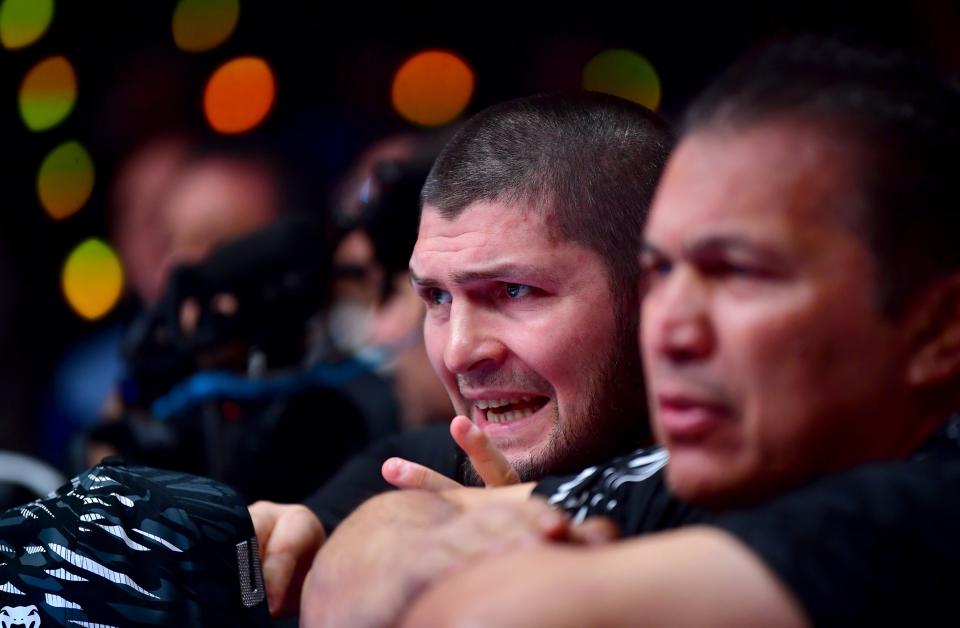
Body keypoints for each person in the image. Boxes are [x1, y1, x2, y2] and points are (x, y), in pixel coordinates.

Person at [304, 37, 960, 627]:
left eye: (738, 273)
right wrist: (386, 524)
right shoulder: (466, 457)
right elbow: (383, 519)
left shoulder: (926, 506)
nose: (668, 326)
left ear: (939, 331)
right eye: (662, 270)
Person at [249, 91, 674, 616]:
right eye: (437, 298)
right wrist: (293, 543)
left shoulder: (740, 489)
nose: (457, 352)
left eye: (514, 290)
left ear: (653, 293)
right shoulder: (410, 467)